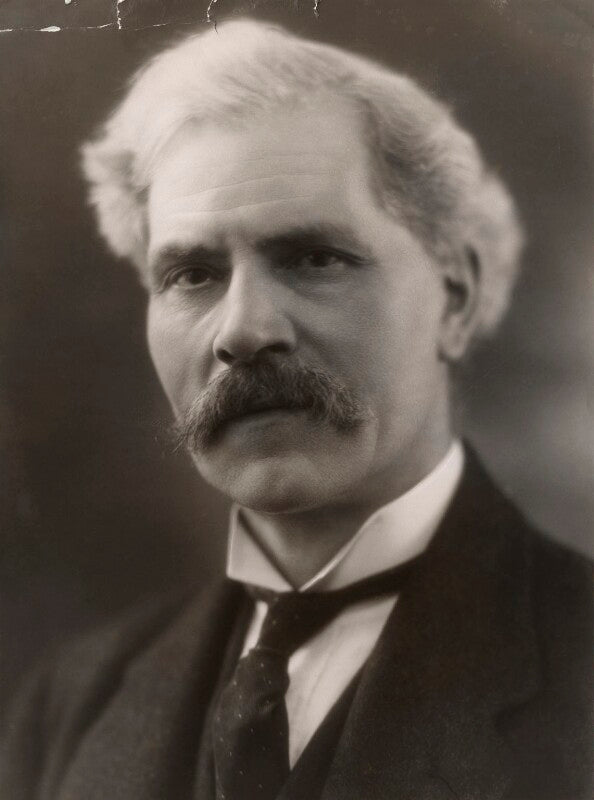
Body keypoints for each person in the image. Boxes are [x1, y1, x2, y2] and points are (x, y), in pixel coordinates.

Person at [1, 18, 591, 800]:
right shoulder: (69, 708)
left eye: (314, 259)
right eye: (192, 274)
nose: (244, 331)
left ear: (455, 296)